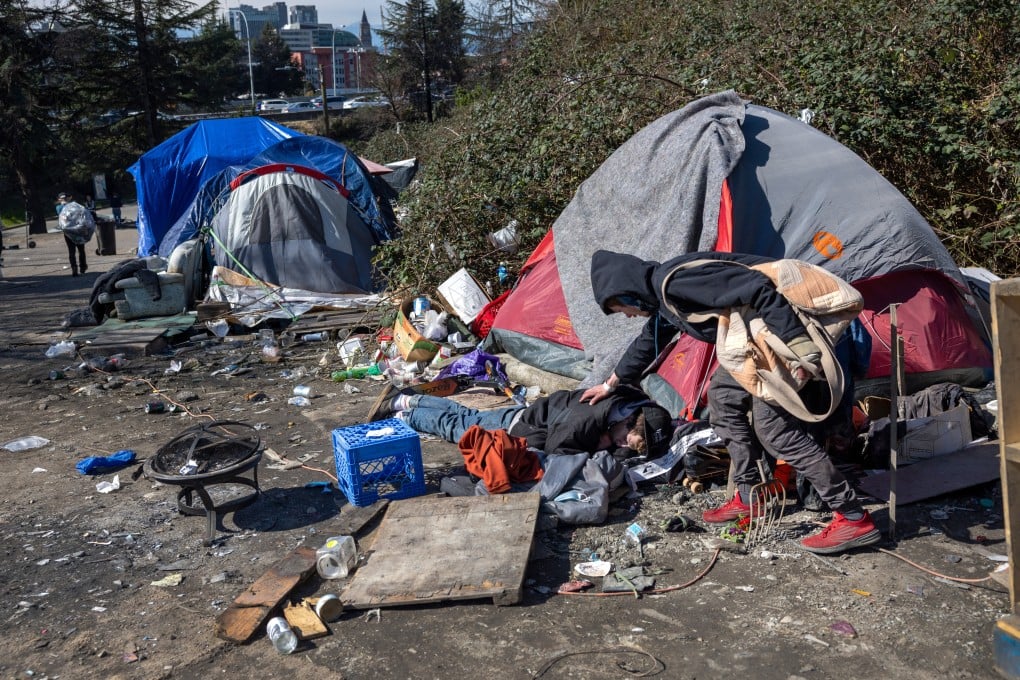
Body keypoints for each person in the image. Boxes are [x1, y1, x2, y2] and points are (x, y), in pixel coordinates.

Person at [581, 249, 881, 555]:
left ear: (627, 290)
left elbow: (757, 287)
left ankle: (853, 517)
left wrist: (797, 344)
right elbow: (649, 340)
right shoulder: (665, 298)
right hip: (755, 339)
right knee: (722, 398)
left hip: (782, 338)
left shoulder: (676, 282)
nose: (628, 314)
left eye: (621, 307)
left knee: (774, 430)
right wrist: (610, 383)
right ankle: (750, 494)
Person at [376, 384, 674, 459]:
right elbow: (557, 452)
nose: (621, 444)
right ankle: (408, 415)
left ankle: (408, 399)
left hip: (527, 415)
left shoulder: (623, 401)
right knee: (457, 428)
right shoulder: (585, 422)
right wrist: (603, 446)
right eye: (625, 438)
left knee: (467, 415)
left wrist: (618, 444)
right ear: (628, 423)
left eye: (627, 445)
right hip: (518, 429)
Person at [56, 193, 94, 276]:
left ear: (59, 199)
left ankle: (74, 268)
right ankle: (83, 266)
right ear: (69, 198)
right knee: (81, 250)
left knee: (71, 251)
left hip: (68, 232)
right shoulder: (77, 206)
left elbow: (61, 219)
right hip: (79, 231)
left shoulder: (59, 207)